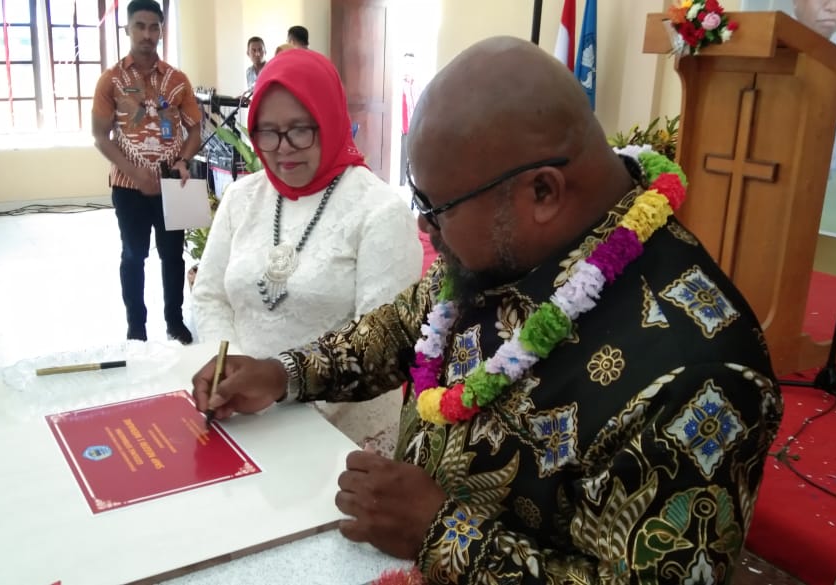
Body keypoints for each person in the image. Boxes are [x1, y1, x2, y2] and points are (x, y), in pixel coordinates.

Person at [191, 36, 783, 583]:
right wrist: (283, 373)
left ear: (542, 193)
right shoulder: (500, 246)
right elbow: (402, 327)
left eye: (436, 205)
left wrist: (440, 533)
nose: (425, 225)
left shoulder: (703, 375)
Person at [191, 49, 422, 451]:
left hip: (337, 436)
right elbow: (210, 296)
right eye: (267, 131)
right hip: (241, 420)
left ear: (330, 120)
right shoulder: (242, 198)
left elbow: (378, 346)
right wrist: (228, 378)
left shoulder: (380, 211)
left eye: (300, 129)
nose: (282, 148)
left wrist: (279, 397)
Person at [92, 0, 200, 343]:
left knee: (172, 256)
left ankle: (175, 321)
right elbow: (100, 136)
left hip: (173, 185)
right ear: (127, 29)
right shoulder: (111, 81)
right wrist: (136, 174)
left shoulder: (177, 80)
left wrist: (182, 160)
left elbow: (195, 130)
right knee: (133, 255)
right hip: (128, 187)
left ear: (161, 30)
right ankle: (136, 327)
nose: (147, 34)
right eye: (140, 26)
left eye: (154, 27)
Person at [400, 52, 417, 187]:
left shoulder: (416, 85)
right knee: (402, 157)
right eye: (406, 64)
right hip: (402, 128)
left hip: (413, 127)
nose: (408, 67)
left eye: (411, 64)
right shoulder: (399, 85)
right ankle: (401, 183)